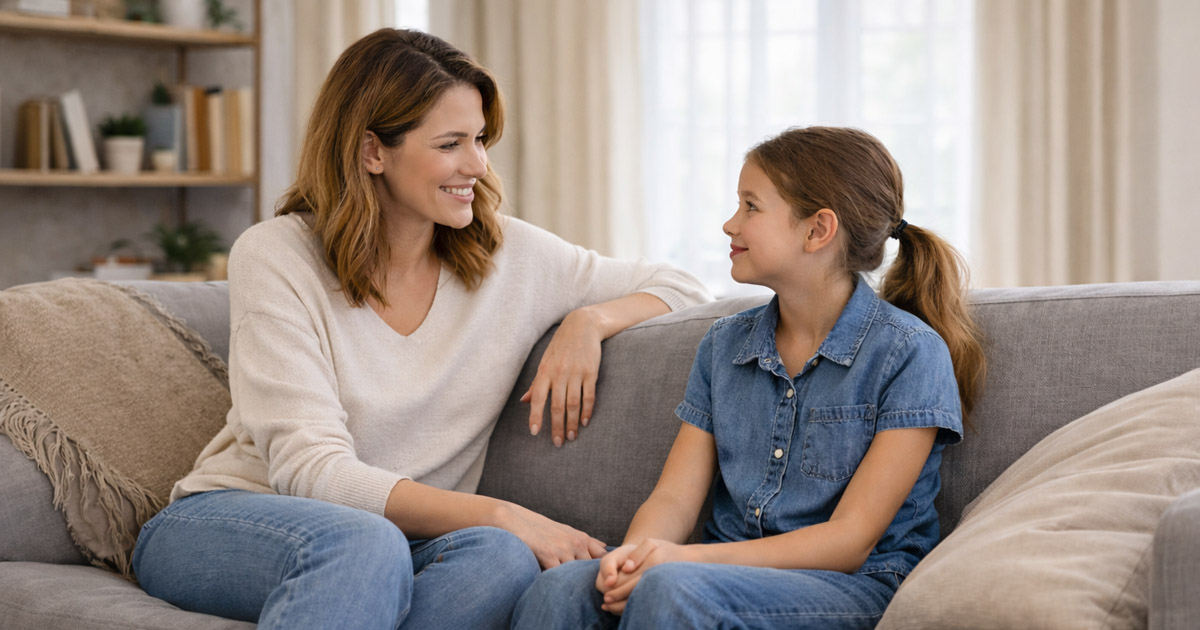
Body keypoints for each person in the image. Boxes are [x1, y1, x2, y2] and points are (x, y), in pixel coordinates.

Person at [130, 28, 710, 630]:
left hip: (399, 541)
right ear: (372, 152)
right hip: (239, 519)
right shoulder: (276, 255)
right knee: (378, 543)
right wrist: (501, 512)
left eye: (480, 139)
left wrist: (592, 319)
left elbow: (684, 286)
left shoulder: (511, 257)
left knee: (502, 560)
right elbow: (309, 469)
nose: (478, 165)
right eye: (451, 143)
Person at [511, 126, 987, 630]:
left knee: (672, 590)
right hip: (719, 571)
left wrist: (682, 562)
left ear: (817, 230)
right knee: (562, 588)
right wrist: (632, 558)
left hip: (856, 586)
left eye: (750, 207)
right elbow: (674, 498)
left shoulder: (910, 353)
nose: (729, 223)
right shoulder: (725, 345)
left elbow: (851, 540)